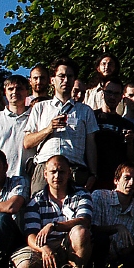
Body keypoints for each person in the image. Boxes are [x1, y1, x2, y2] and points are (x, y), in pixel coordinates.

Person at [22, 59, 100, 193]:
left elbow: (91, 144)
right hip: (45, 167)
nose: (66, 80)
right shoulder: (40, 108)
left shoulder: (85, 110)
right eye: (61, 76)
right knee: (38, 205)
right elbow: (27, 142)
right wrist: (48, 129)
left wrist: (93, 173)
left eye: (70, 76)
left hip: (74, 169)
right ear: (52, 80)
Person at [13, 155, 93, 268]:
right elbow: (30, 235)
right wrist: (44, 249)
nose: (57, 176)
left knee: (81, 232)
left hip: (69, 244)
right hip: (43, 246)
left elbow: (84, 220)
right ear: (45, 174)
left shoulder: (82, 195)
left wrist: (54, 226)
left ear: (69, 174)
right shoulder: (36, 201)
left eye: (62, 172)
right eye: (53, 172)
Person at [90, 163, 134, 268]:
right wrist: (117, 227)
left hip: (121, 258)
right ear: (116, 180)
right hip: (96, 252)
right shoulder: (100, 196)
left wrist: (125, 251)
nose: (131, 183)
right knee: (100, 239)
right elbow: (91, 228)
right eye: (127, 178)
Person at [92, 81, 134, 189]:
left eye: (116, 93)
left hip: (116, 180)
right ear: (102, 94)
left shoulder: (127, 124)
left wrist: (130, 143)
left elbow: (132, 159)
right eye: (109, 92)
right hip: (93, 177)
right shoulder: (91, 117)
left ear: (121, 97)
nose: (112, 97)